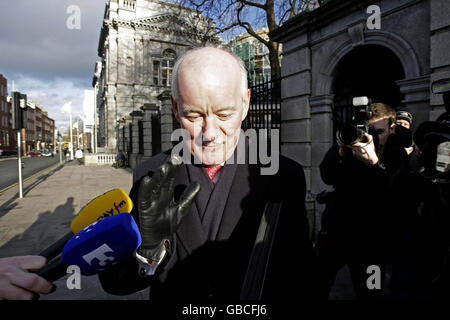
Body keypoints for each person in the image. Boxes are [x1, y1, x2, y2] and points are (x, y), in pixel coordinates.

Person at [98, 46, 318, 300]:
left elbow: (302, 274)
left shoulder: (284, 176)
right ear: (175, 107)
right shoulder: (149, 175)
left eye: (224, 114)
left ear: (245, 103)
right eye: (194, 115)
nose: (210, 132)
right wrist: (147, 251)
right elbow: (117, 284)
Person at [316, 102, 408, 299]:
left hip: (372, 242)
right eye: (369, 130)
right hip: (338, 233)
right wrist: (340, 148)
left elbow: (395, 194)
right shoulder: (351, 146)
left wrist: (374, 163)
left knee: (370, 292)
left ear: (392, 128)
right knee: (317, 283)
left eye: (379, 131)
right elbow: (327, 175)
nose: (372, 136)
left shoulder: (397, 153)